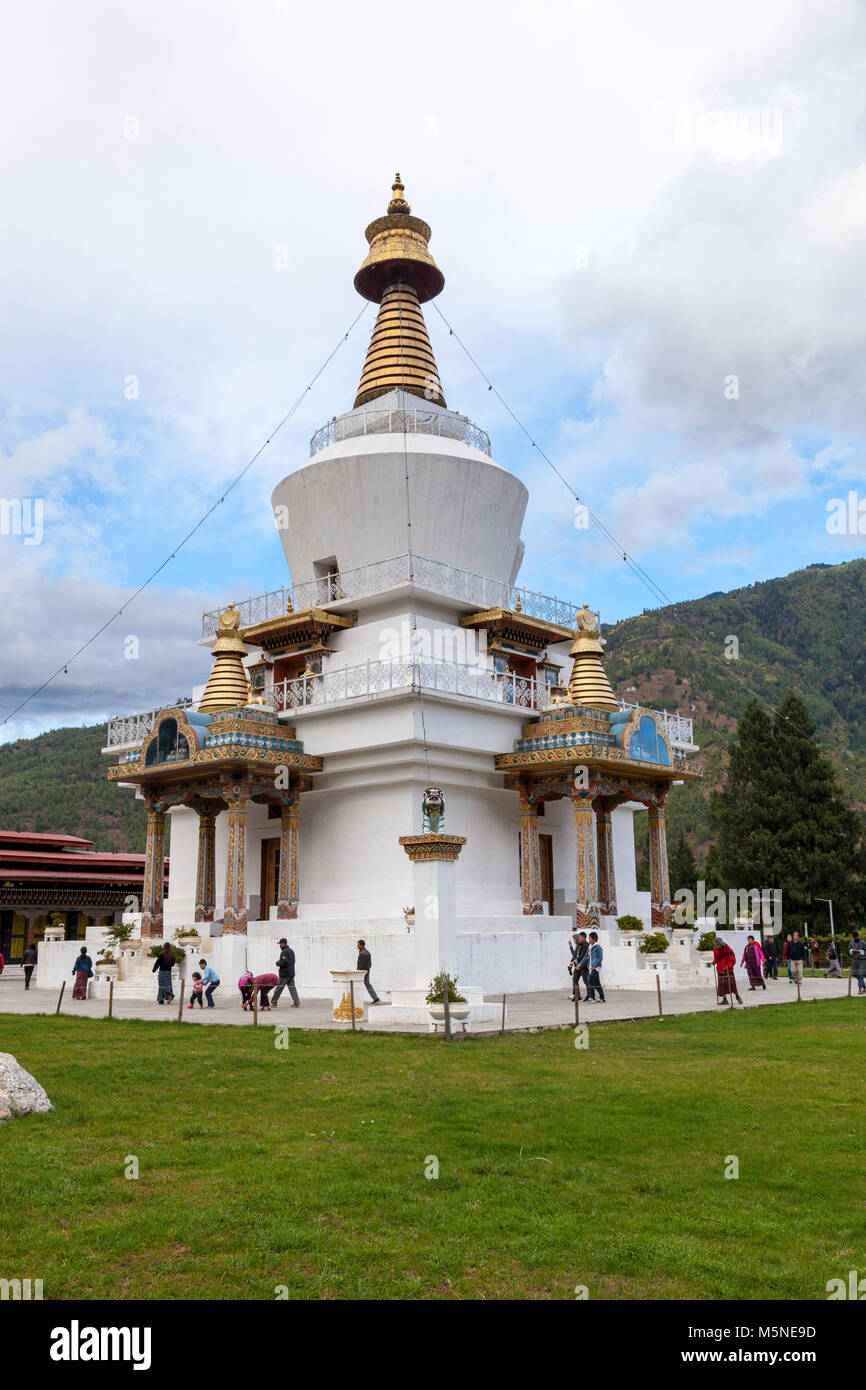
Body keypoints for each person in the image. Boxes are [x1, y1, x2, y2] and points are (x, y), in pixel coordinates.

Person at [271, 938, 300, 1008]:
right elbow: (293, 961)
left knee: (279, 988)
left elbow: (285, 962)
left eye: (280, 944)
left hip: (285, 974)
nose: (279, 945)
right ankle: (297, 1002)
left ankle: (273, 1003)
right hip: (291, 973)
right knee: (292, 988)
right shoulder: (291, 951)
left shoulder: (284, 952)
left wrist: (278, 963)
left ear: (283, 943)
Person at [713, 937, 742, 1004]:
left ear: (721, 944)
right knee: (722, 985)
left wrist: (728, 965)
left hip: (728, 970)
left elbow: (733, 960)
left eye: (718, 945)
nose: (717, 946)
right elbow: (716, 958)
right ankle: (724, 999)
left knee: (732, 984)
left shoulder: (727, 949)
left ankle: (737, 996)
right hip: (720, 969)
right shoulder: (715, 949)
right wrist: (714, 961)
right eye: (716, 944)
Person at [357, 939, 382, 1004]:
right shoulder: (366, 952)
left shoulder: (363, 953)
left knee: (364, 984)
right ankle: (375, 998)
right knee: (367, 984)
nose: (357, 946)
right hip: (366, 971)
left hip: (363, 972)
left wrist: (359, 972)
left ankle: (376, 998)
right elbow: (370, 964)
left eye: (358, 944)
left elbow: (361, 965)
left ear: (361, 945)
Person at [584, 931, 605, 1003]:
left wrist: (594, 965)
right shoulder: (590, 947)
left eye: (590, 938)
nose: (589, 940)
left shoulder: (598, 947)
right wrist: (580, 964)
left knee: (590, 981)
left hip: (596, 968)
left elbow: (600, 958)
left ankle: (592, 998)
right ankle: (602, 998)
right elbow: (586, 957)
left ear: (594, 939)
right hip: (591, 967)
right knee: (597, 983)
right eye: (588, 938)